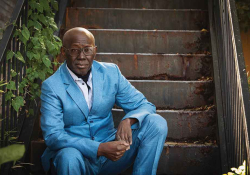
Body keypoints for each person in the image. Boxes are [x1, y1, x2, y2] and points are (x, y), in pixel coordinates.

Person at [40, 27, 168, 175]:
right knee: (68, 156)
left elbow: (144, 105)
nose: (82, 56)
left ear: (95, 51)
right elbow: (53, 136)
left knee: (156, 123)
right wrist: (99, 148)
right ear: (64, 52)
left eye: (87, 50)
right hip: (77, 156)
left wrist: (129, 119)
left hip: (112, 154)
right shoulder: (52, 86)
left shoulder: (111, 73)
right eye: (75, 50)